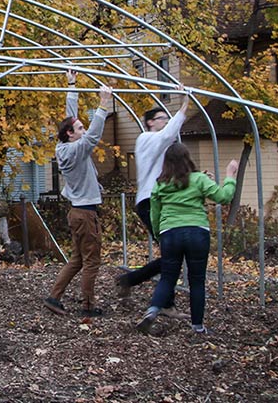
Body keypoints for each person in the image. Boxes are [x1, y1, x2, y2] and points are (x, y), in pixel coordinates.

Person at [134, 143, 238, 335]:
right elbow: (223, 197)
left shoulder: (160, 183)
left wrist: (159, 234)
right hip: (197, 232)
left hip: (170, 234)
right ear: (187, 159)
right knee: (197, 280)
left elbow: (155, 213)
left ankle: (152, 311)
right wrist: (230, 176)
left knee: (167, 276)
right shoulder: (199, 179)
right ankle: (197, 326)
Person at [43, 73, 113, 318]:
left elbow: (69, 119)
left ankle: (54, 297)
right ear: (71, 135)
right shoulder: (76, 150)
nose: (83, 130)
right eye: (79, 128)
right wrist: (103, 106)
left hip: (78, 212)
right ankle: (88, 306)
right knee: (91, 261)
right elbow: (93, 135)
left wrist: (72, 85)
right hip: (85, 214)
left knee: (77, 259)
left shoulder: (65, 145)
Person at [115, 98, 189, 302]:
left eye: (167, 118)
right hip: (150, 202)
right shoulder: (146, 139)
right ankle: (164, 301)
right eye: (161, 118)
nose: (165, 121)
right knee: (172, 254)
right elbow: (167, 135)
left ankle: (132, 281)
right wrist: (183, 107)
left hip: (158, 201)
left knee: (172, 254)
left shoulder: (162, 147)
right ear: (149, 122)